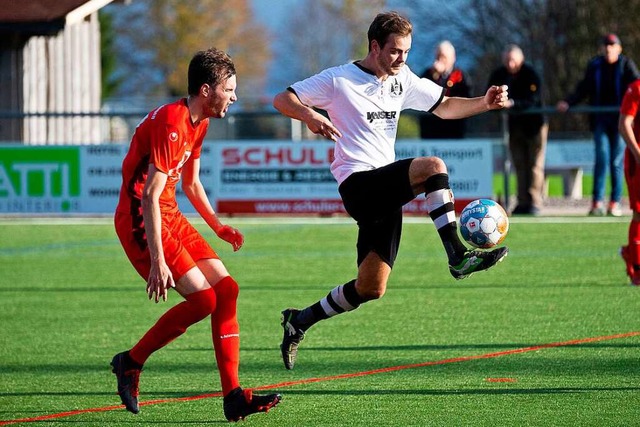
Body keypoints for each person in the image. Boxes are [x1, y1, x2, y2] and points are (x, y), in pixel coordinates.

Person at [272, 11, 510, 371]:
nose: (403, 59)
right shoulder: (339, 79)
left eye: (407, 52)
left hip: (383, 191)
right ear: (375, 47)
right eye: (396, 51)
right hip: (358, 183)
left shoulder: (402, 79)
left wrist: (484, 103)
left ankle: (299, 320)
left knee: (371, 288)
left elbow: (443, 107)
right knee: (433, 167)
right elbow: (283, 98)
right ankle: (458, 256)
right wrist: (309, 115)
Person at [111, 48, 281, 421]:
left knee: (227, 290)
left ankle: (233, 396)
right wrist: (157, 261)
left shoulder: (199, 120)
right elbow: (148, 196)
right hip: (141, 219)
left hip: (168, 213)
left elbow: (190, 183)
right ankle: (131, 361)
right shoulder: (173, 122)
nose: (234, 96)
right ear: (206, 90)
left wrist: (218, 226)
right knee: (204, 300)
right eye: (229, 89)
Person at [557, 33, 640, 216]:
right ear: (602, 48)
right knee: (601, 158)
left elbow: (636, 89)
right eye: (606, 45)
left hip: (621, 120)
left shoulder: (626, 65)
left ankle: (614, 202)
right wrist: (569, 101)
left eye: (612, 45)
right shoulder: (595, 66)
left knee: (616, 161)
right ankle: (597, 202)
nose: (609, 48)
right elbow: (583, 88)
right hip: (600, 120)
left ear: (619, 48)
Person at [488, 45, 548, 215]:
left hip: (534, 126)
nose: (510, 63)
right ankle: (522, 202)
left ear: (520, 59)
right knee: (519, 164)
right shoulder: (500, 75)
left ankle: (535, 202)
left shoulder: (530, 73)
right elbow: (489, 93)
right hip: (514, 127)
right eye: (507, 60)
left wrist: (513, 103)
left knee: (535, 165)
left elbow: (534, 98)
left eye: (513, 60)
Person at [419, 40, 471, 139]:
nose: (440, 60)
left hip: (454, 127)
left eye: (443, 56)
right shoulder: (428, 74)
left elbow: (466, 96)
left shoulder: (461, 76)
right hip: (431, 129)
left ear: (452, 58)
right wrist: (435, 77)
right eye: (438, 56)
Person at [618, 79, 640, 285]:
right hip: (637, 162)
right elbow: (624, 124)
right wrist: (638, 154)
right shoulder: (636, 88)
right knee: (639, 214)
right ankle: (637, 268)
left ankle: (629, 253)